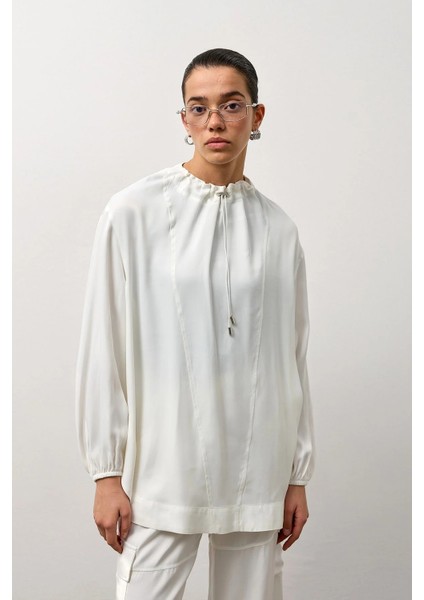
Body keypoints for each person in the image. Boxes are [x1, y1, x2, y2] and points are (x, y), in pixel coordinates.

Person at [75, 47, 315, 600]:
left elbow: (292, 359)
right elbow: (102, 344)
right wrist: (106, 472)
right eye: (199, 107)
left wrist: (297, 474)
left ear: (255, 116)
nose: (215, 121)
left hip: (258, 464)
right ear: (184, 118)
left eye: (231, 105)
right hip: (164, 465)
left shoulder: (279, 230)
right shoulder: (134, 211)